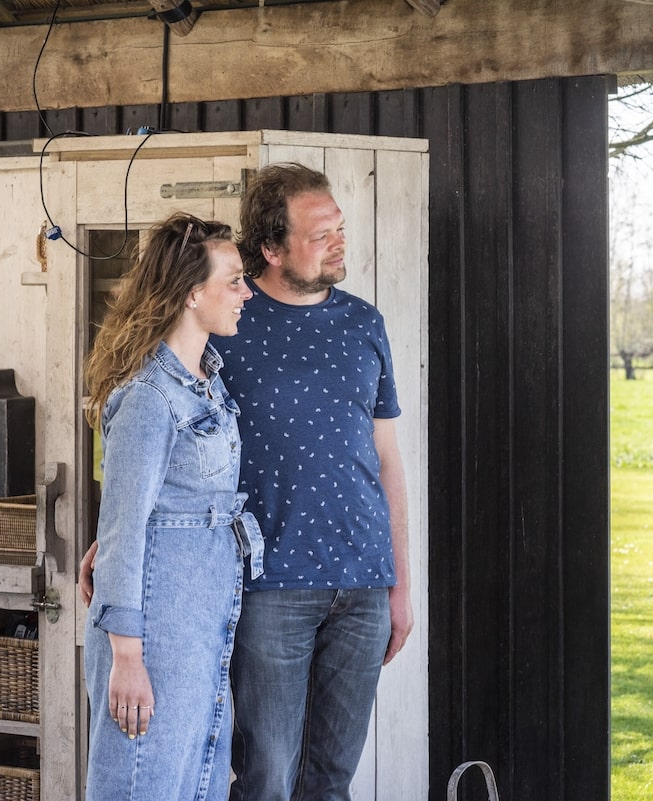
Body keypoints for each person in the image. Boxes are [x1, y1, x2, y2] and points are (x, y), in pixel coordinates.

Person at [221, 162, 413, 801]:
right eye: (319, 233)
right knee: (268, 777)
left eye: (340, 228)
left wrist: (401, 586)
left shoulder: (365, 323)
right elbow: (173, 438)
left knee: (331, 780)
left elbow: (387, 461)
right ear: (271, 249)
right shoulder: (228, 321)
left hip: (363, 583)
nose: (339, 242)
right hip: (268, 585)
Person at [82, 213, 261, 801]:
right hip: (155, 639)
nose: (246, 291)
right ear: (191, 293)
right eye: (233, 279)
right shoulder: (148, 398)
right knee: (144, 785)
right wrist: (126, 658)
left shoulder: (205, 383)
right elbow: (125, 528)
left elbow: (148, 515)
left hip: (200, 630)